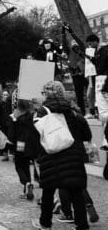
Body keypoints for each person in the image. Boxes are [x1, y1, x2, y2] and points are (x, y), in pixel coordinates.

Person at [31, 81, 91, 230]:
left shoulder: (42, 111)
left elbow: (36, 135)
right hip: (73, 157)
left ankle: (45, 223)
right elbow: (86, 134)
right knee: (76, 191)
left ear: (47, 94)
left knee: (48, 192)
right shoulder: (72, 110)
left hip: (51, 156)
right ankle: (82, 224)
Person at [6, 99, 40, 201]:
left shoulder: (16, 119)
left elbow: (11, 134)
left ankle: (26, 182)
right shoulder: (32, 117)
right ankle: (27, 188)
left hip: (20, 144)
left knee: (19, 166)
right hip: (31, 145)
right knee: (26, 165)